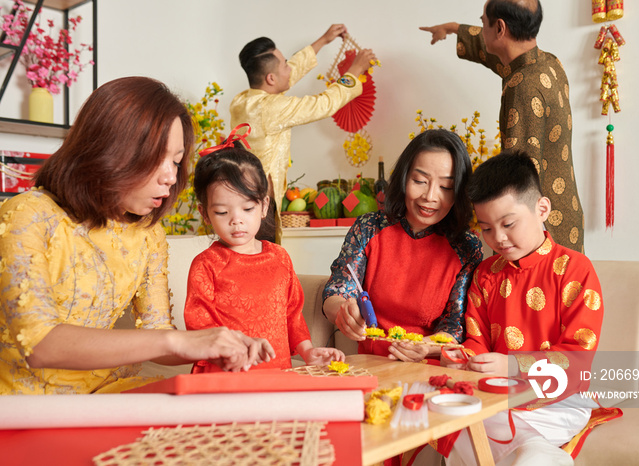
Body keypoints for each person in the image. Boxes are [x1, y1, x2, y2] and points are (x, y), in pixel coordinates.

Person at [0, 77, 274, 395]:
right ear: (109, 149)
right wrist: (180, 340)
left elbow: (158, 334)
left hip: (112, 391)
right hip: (26, 404)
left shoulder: (148, 234)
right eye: (158, 159)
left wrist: (218, 345)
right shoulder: (27, 214)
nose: (171, 178)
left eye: (175, 162)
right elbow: (40, 344)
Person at [442, 150, 603, 465]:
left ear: (542, 209)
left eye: (508, 223)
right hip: (496, 397)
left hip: (558, 402)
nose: (498, 238)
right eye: (487, 228)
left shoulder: (575, 269)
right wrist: (459, 358)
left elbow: (578, 357)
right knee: (441, 412)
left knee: (466, 427)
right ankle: (534, 453)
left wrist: (512, 366)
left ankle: (532, 453)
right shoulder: (486, 274)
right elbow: (476, 342)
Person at [420, 0, 585, 253]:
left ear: (500, 28)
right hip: (565, 212)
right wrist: (454, 28)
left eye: (482, 23)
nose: (481, 28)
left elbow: (517, 174)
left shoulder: (523, 87)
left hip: (539, 230)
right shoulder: (548, 63)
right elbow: (493, 51)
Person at [183, 136, 345, 371]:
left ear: (264, 206)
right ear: (205, 214)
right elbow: (200, 327)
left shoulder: (279, 257)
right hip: (225, 378)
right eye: (221, 212)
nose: (236, 220)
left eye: (247, 208)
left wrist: (308, 352)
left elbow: (293, 315)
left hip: (277, 373)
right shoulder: (207, 264)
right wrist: (230, 353)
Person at [323, 129, 483, 363]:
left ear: (458, 192)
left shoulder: (466, 248)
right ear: (404, 178)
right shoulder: (369, 228)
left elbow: (456, 328)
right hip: (371, 365)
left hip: (429, 367)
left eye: (445, 187)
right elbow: (337, 290)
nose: (430, 196)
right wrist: (343, 311)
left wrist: (425, 347)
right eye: (420, 181)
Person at [230, 24, 376, 242]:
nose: (290, 69)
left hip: (244, 202)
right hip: (260, 209)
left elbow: (289, 72)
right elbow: (324, 104)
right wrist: (354, 72)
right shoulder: (271, 108)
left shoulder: (243, 101)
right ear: (270, 78)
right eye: (285, 65)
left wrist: (324, 40)